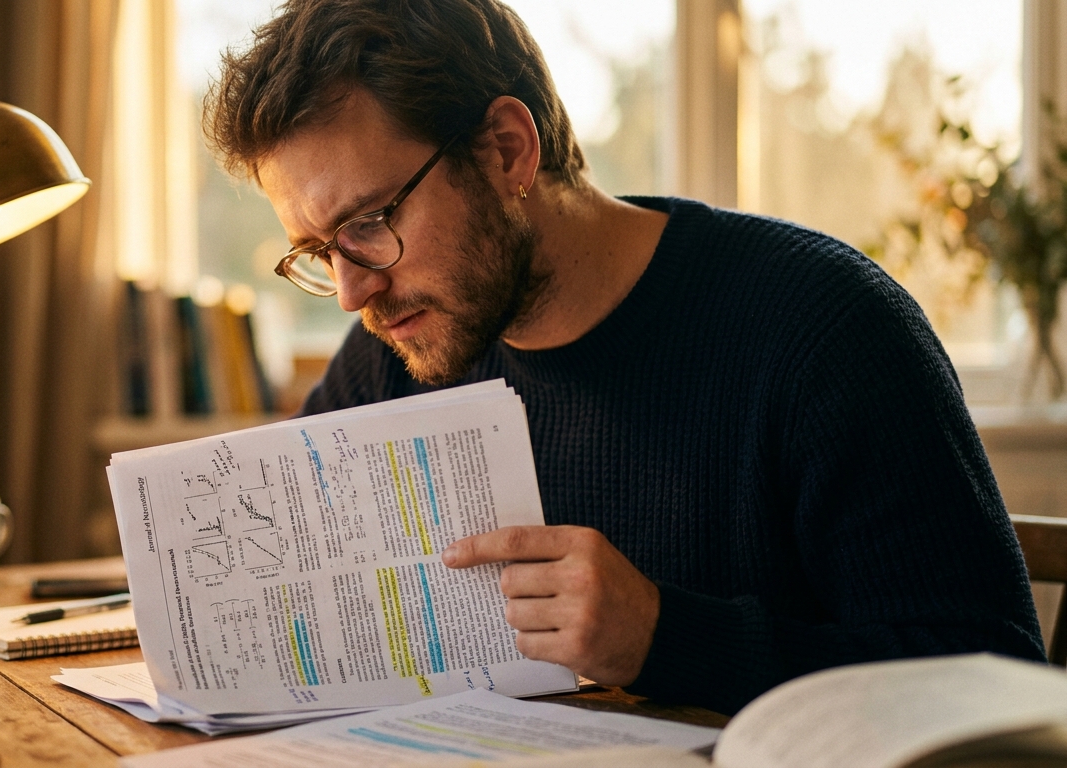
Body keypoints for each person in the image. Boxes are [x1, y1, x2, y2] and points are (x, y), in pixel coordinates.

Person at [202, 0, 1045, 715]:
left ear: (506, 151)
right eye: (318, 252)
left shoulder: (823, 330)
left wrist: (665, 637)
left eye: (369, 224)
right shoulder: (398, 346)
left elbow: (994, 684)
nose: (353, 292)